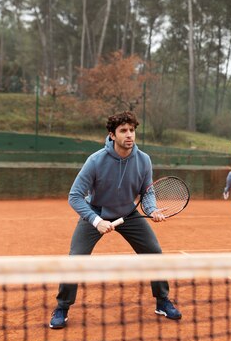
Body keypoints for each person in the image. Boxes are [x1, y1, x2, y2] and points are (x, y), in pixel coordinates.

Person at [49, 111, 181, 329]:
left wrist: (153, 209)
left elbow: (146, 191)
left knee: (155, 254)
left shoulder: (144, 160)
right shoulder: (95, 161)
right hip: (96, 212)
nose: (129, 135)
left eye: (132, 130)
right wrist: (95, 220)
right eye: (123, 131)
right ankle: (62, 306)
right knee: (75, 259)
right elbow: (74, 196)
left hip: (129, 214)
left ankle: (162, 301)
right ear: (112, 135)